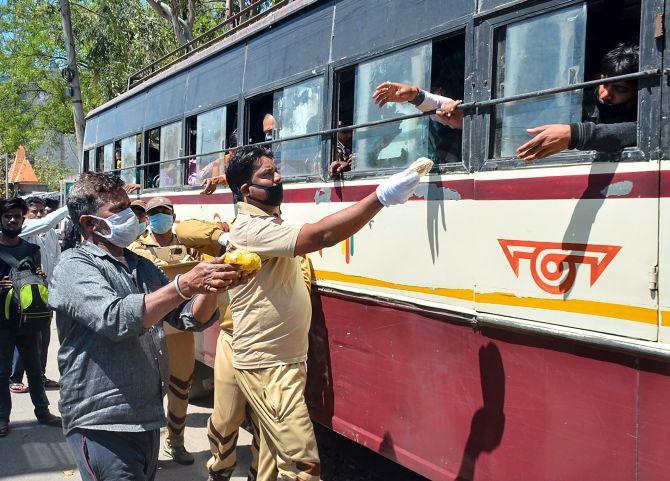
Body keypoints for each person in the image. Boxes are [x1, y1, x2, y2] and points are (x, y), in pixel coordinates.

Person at [224, 145, 420, 481]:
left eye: (276, 170)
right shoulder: (249, 228)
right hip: (268, 364)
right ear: (247, 190)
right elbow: (323, 235)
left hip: (282, 360)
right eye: (267, 175)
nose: (278, 178)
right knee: (304, 467)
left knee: (274, 458)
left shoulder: (268, 221)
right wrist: (380, 197)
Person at [49, 172, 250, 480]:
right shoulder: (74, 267)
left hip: (145, 419)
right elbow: (115, 319)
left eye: (129, 207)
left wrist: (212, 288)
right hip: (101, 422)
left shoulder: (141, 265)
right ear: (90, 224)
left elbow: (187, 318)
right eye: (118, 211)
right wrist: (183, 285)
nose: (131, 216)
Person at [175, 218, 312, 481]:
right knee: (226, 418)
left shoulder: (294, 251)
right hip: (233, 340)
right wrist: (222, 236)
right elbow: (183, 230)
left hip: (271, 348)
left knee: (269, 425)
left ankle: (257, 474)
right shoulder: (235, 240)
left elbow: (302, 295)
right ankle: (220, 468)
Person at [372, 42, 639, 161]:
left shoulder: (645, 112)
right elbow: (495, 126)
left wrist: (576, 135)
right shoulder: (575, 101)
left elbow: (647, 132)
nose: (605, 94)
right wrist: (419, 97)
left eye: (620, 90)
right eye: (603, 82)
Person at [128, 196, 201, 465]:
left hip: (180, 327)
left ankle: (176, 440)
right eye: (154, 213)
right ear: (146, 218)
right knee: (145, 389)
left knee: (181, 386)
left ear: (173, 214)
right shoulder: (135, 247)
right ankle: (143, 447)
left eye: (164, 212)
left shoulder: (189, 247)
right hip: (148, 327)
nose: (160, 217)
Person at [0, 197, 61, 437]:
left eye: (17, 216)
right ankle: (3, 418)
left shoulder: (32, 250)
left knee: (35, 369)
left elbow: (38, 280)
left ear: (23, 218)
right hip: (2, 322)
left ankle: (43, 412)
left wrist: (40, 277)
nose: (12, 220)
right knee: (2, 372)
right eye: (7, 217)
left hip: (30, 321)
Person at [9, 197, 62, 394]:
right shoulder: (26, 230)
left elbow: (56, 259)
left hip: (45, 292)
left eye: (42, 211)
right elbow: (45, 224)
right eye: (34, 212)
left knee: (44, 336)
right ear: (26, 216)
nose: (39, 215)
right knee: (24, 336)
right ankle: (14, 377)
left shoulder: (50, 235)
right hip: (24, 294)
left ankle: (40, 375)